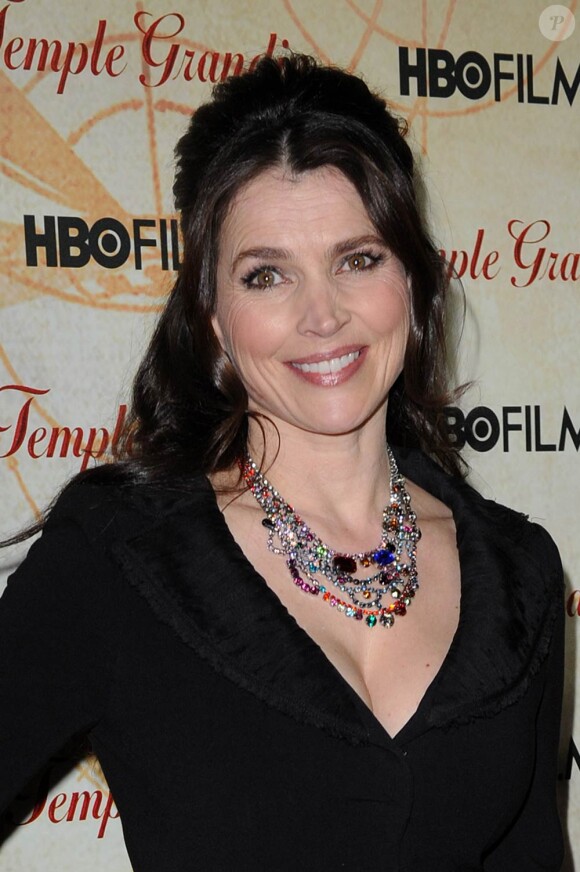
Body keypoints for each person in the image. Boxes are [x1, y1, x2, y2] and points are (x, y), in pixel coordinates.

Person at [0, 54, 564, 871]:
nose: (322, 316)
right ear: (214, 316)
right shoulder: (120, 557)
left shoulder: (521, 572)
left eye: (358, 259)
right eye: (267, 275)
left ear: (411, 279)